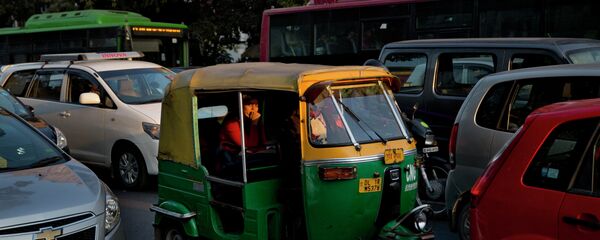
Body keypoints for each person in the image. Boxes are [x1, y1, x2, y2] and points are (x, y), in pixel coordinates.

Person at [217, 95, 266, 175]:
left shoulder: (253, 121)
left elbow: (263, 142)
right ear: (241, 106)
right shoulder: (231, 124)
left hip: (248, 158)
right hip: (232, 162)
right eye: (249, 105)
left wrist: (258, 125)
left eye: (256, 105)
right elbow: (248, 145)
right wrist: (254, 125)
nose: (254, 109)